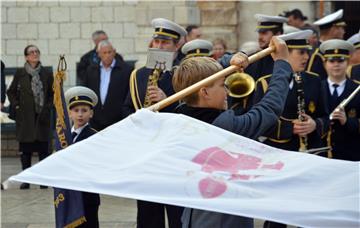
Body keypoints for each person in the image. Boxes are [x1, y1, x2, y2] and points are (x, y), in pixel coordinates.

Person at [173, 36, 292, 228]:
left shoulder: (180, 114)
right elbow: (269, 109)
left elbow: (196, 76)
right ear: (204, 92)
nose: (227, 91)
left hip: (191, 219)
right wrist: (282, 64)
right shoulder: (225, 127)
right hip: (221, 221)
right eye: (222, 85)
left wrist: (230, 60)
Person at [254, 30, 329, 228]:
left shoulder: (313, 80)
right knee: (278, 210)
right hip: (278, 156)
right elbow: (259, 123)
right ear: (285, 55)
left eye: (307, 52)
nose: (306, 57)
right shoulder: (265, 83)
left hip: (307, 154)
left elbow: (326, 117)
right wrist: (289, 128)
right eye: (300, 53)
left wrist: (315, 125)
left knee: (308, 209)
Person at [123, 18, 187, 228]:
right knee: (148, 213)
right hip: (147, 153)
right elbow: (127, 108)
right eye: (157, 42)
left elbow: (193, 112)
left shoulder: (185, 74)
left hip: (175, 153)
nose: (159, 47)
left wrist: (166, 98)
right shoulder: (138, 75)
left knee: (178, 212)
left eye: (165, 43)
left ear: (177, 46)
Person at [7, 45, 53, 189]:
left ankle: (43, 180)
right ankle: (26, 179)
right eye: (31, 52)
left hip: (42, 117)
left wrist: (49, 105)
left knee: (43, 151)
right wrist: (16, 105)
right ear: (26, 56)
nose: (35, 54)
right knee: (26, 151)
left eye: (37, 51)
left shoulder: (46, 73)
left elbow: (53, 93)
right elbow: (11, 92)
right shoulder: (20, 73)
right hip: (25, 118)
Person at [64, 86, 101, 228]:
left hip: (87, 196)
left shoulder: (94, 136)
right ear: (69, 113)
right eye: (76, 110)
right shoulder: (64, 136)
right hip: (68, 194)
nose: (80, 115)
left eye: (84, 110)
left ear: (91, 113)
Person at [320, 39, 360, 161]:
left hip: (351, 154)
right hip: (322, 154)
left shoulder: (357, 89)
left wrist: (347, 121)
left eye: (341, 60)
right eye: (331, 61)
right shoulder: (316, 88)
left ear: (347, 62)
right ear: (325, 63)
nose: (336, 64)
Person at [81, 40, 133, 131]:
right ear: (99, 54)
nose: (107, 55)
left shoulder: (126, 70)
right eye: (104, 53)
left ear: (114, 52)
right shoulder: (91, 70)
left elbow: (129, 94)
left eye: (110, 52)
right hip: (96, 120)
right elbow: (87, 92)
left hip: (118, 120)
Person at [306, 9, 346, 80]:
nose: (344, 32)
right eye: (341, 28)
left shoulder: (323, 51)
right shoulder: (318, 55)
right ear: (334, 29)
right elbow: (312, 81)